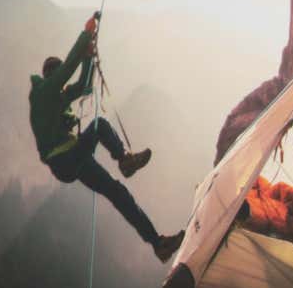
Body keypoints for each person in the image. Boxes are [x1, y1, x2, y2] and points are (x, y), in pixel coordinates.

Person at [30, 13, 183, 261]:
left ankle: (157, 243)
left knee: (117, 192)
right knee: (100, 124)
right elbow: (69, 68)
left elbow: (84, 87)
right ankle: (124, 159)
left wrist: (89, 59)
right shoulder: (43, 94)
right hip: (66, 158)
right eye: (59, 80)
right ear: (52, 76)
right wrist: (87, 33)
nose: (63, 87)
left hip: (72, 161)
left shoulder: (55, 97)